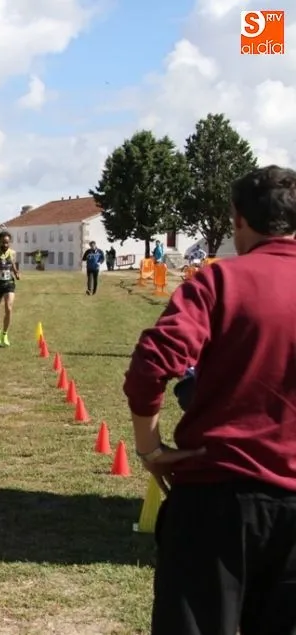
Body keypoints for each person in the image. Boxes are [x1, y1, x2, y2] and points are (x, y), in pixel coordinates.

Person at [121, 164, 296, 635]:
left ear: (238, 218)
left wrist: (150, 450)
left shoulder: (218, 282)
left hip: (216, 500)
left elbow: (150, 365)